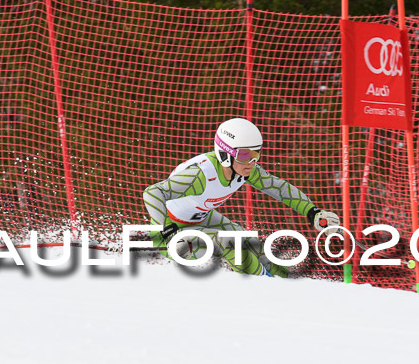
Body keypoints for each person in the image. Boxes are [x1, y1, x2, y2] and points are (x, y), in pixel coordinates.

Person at [142, 118, 340, 277]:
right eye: (245, 155)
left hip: (200, 218)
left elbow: (279, 188)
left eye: (256, 154)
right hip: (170, 235)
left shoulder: (244, 170)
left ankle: (287, 282)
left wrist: (313, 212)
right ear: (225, 154)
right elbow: (152, 193)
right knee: (229, 243)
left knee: (247, 241)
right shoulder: (200, 175)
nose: (252, 162)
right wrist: (168, 234)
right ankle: (266, 288)